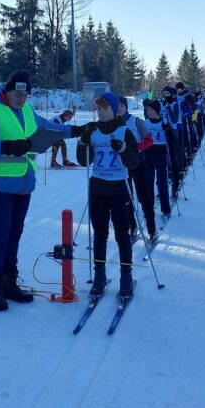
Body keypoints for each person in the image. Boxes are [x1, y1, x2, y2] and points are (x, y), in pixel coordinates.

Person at [0, 70, 78, 312]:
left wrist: (77, 131)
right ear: (7, 90)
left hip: (23, 185)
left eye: (26, 94)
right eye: (17, 93)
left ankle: (10, 282)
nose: (21, 98)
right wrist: (8, 146)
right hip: (1, 186)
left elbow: (48, 128)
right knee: (0, 236)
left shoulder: (28, 111)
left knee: (14, 235)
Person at [78, 93, 142, 298]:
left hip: (119, 189)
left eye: (105, 109)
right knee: (100, 235)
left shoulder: (124, 130)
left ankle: (125, 276)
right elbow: (83, 161)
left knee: (122, 235)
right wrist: (83, 142)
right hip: (98, 189)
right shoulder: (92, 129)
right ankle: (99, 276)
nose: (102, 113)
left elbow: (135, 162)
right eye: (99, 109)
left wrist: (123, 149)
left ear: (114, 109)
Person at [117, 98, 157, 239]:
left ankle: (151, 227)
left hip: (138, 163)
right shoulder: (113, 124)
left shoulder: (136, 121)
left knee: (143, 196)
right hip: (122, 166)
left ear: (126, 107)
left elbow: (149, 140)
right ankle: (131, 225)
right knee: (126, 197)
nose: (119, 108)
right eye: (116, 106)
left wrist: (135, 148)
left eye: (121, 105)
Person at [142, 100, 178, 223]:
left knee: (162, 184)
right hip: (148, 156)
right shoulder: (145, 123)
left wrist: (168, 132)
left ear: (157, 111)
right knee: (148, 184)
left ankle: (165, 209)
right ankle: (149, 208)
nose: (149, 112)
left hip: (161, 155)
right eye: (148, 110)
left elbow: (173, 139)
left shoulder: (164, 123)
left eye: (151, 110)